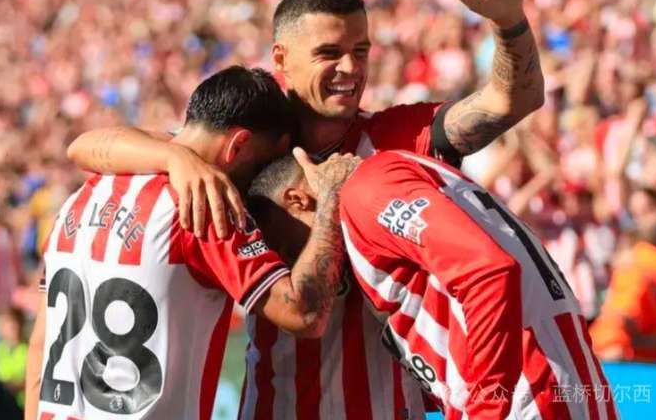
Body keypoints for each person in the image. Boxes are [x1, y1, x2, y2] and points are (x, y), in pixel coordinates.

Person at [66, 0, 546, 419]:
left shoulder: (393, 138)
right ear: (281, 59)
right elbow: (86, 145)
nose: (350, 69)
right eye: (329, 53)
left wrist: (509, 22)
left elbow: (515, 99)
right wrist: (176, 158)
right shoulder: (250, 140)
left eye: (361, 51)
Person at [25, 66, 357, 420]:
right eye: (265, 164)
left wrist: (176, 154)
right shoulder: (204, 206)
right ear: (239, 145)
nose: (262, 185)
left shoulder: (80, 199)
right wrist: (331, 200)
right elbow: (303, 313)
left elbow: (40, 345)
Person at [247, 149, 619, 419]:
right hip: (551, 390)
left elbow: (488, 272)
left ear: (297, 199)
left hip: (532, 397)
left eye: (289, 250)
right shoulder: (393, 181)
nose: (300, 264)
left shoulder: (366, 190)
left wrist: (485, 409)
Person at [589, 215, 656, 364]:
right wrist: (612, 345)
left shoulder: (653, 266)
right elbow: (619, 316)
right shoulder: (642, 266)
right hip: (634, 365)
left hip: (651, 365)